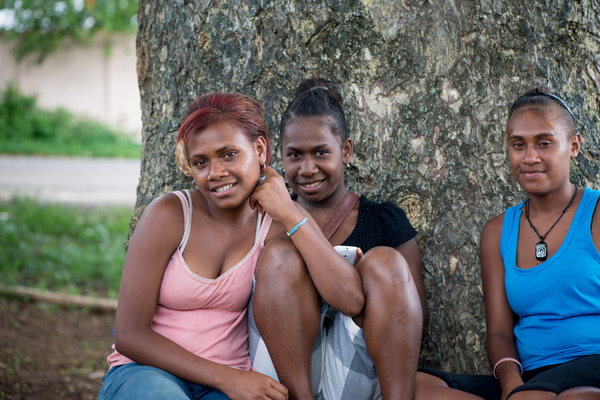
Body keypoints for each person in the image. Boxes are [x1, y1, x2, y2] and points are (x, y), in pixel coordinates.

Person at [98, 91, 358, 399]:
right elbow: (129, 334)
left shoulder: (276, 224)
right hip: (146, 373)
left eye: (229, 154)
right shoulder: (170, 215)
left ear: (260, 149)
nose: (215, 173)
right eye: (200, 162)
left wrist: (290, 213)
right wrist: (228, 379)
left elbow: (350, 299)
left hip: (228, 388)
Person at [249, 78, 429, 400]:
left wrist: (292, 215)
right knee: (280, 257)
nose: (307, 168)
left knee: (385, 262)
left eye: (321, 152)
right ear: (280, 156)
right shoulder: (264, 219)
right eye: (294, 155)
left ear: (345, 151)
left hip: (356, 372)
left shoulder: (383, 221)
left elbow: (415, 324)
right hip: (285, 377)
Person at [415, 87, 600, 400]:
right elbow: (500, 332)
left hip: (592, 364)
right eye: (518, 145)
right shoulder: (498, 231)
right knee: (415, 386)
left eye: (544, 143)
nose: (530, 157)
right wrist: (511, 383)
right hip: (531, 378)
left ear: (574, 146)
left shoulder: (596, 214)